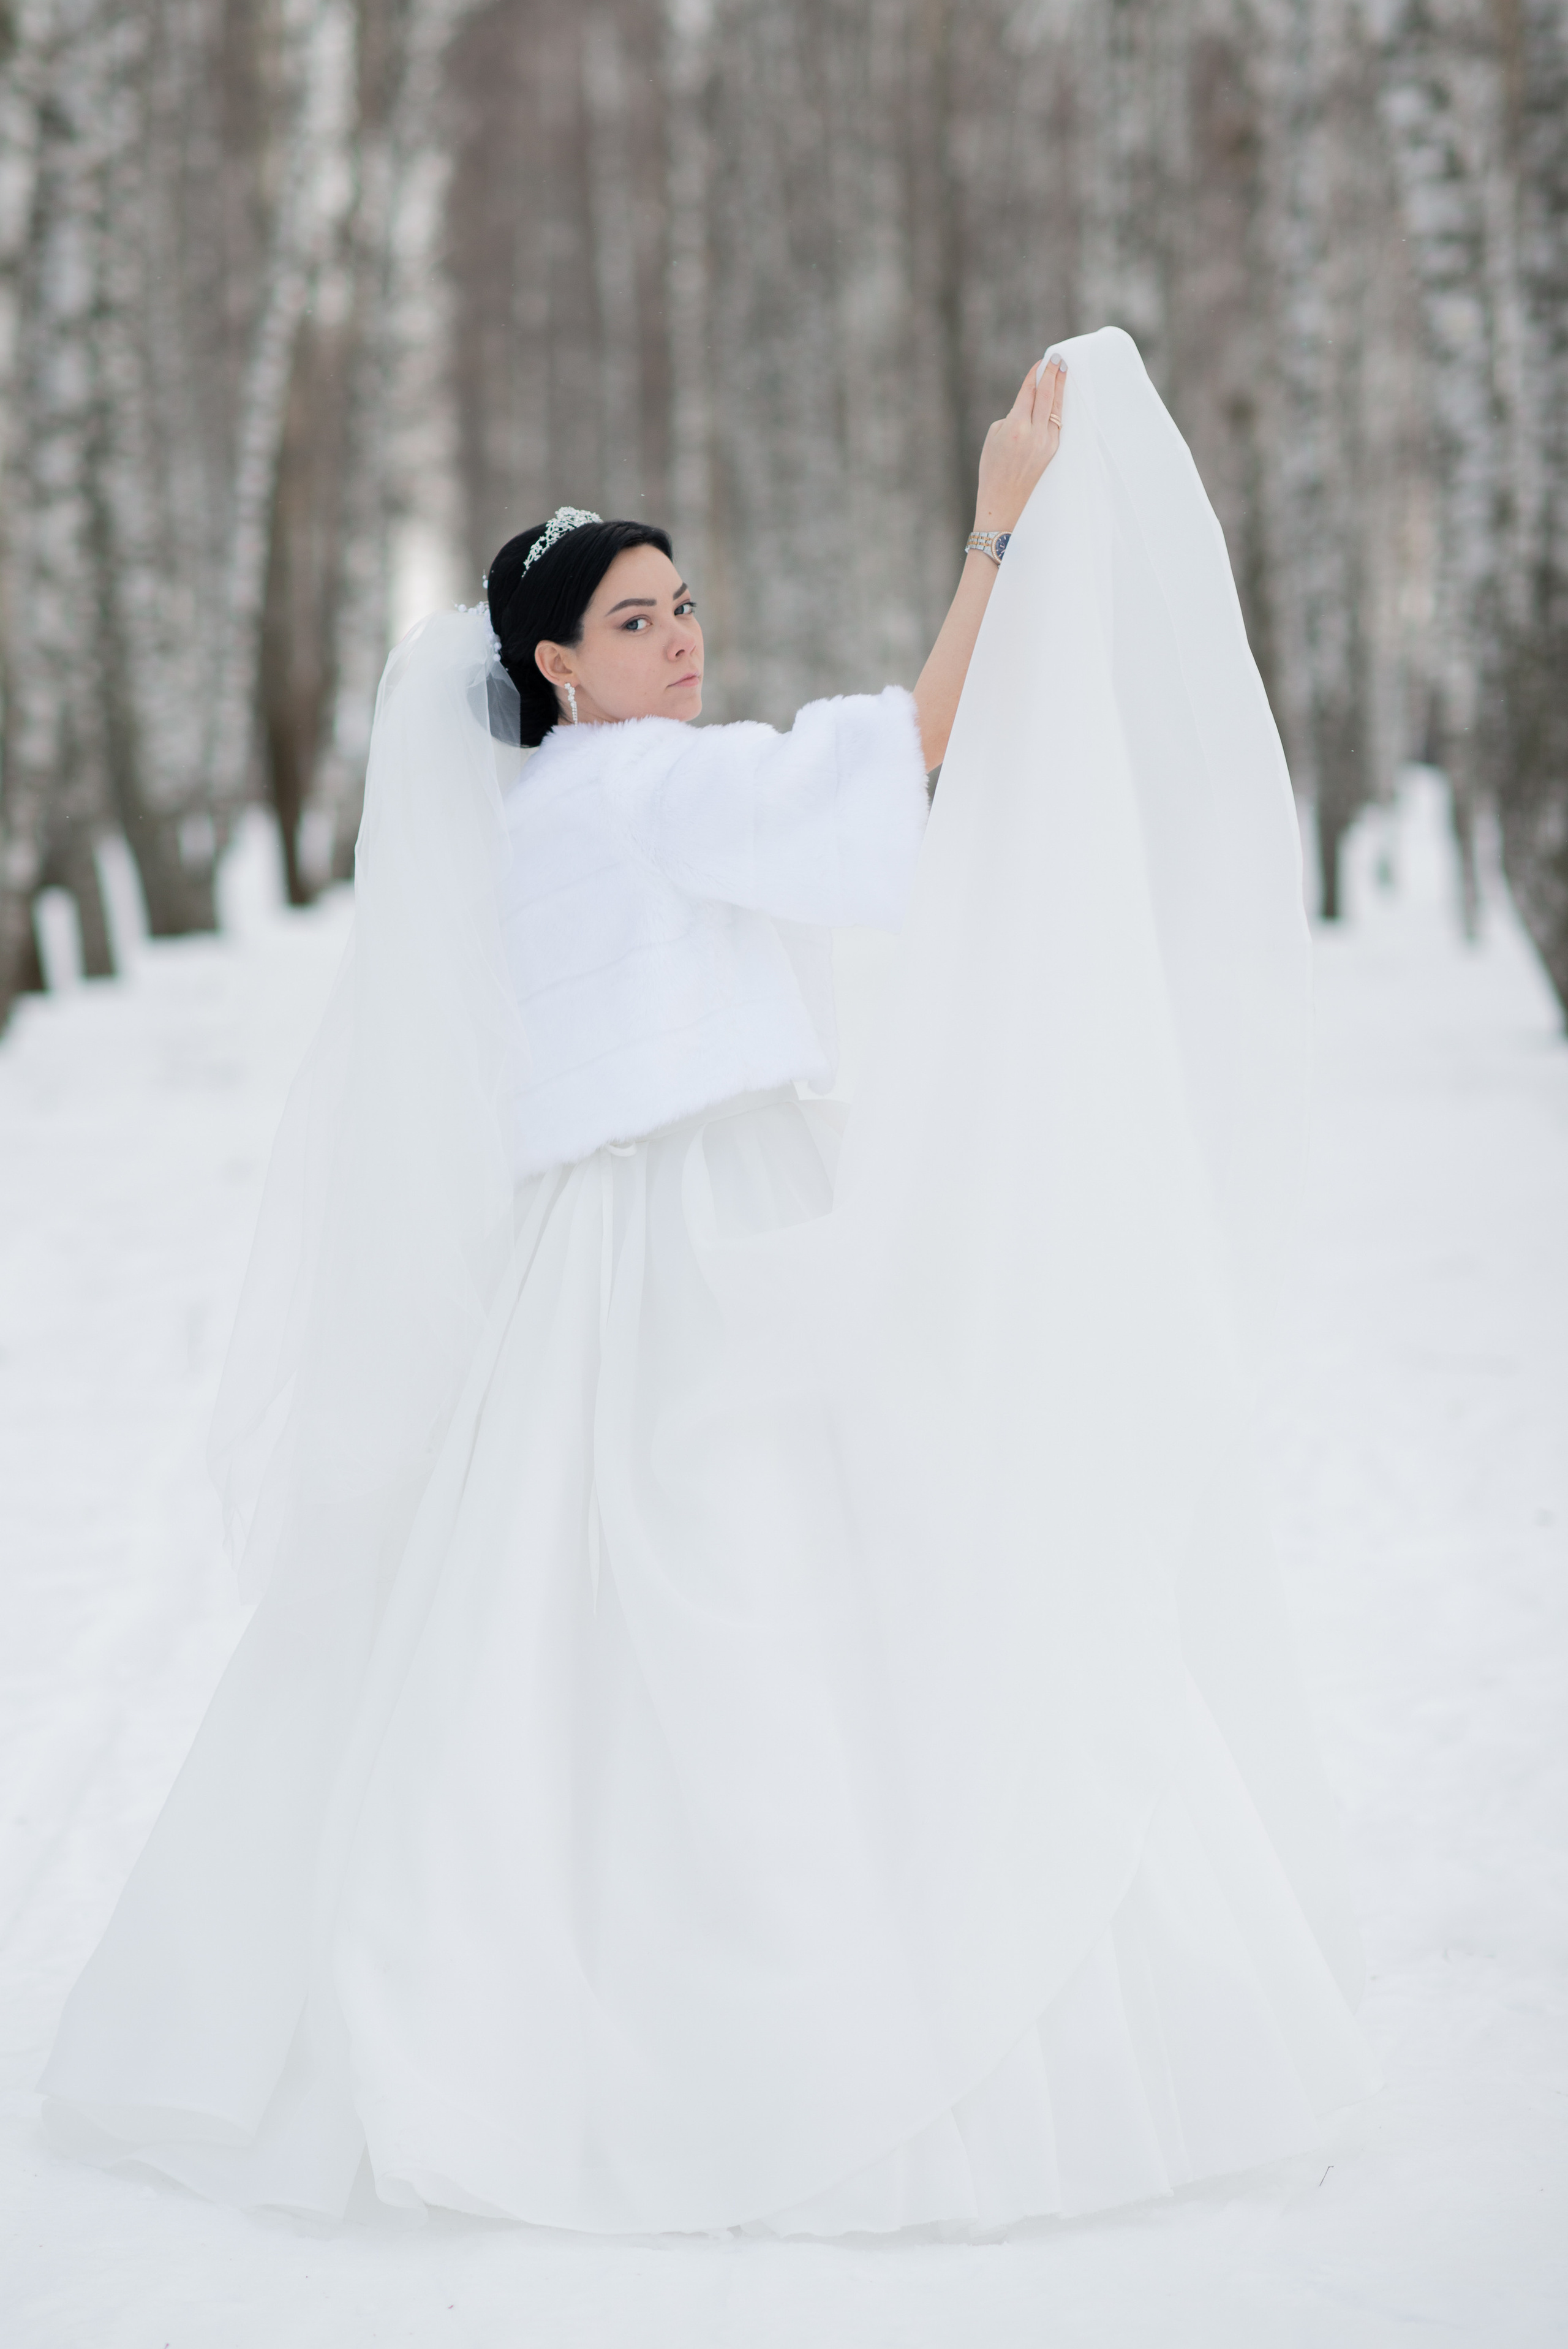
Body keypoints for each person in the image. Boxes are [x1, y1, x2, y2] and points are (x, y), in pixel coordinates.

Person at [42, 331, 1374, 2234]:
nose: (680, 640)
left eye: (686, 606)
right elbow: (914, 759)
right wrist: (998, 536)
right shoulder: (641, 795)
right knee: (813, 1593)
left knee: (557, 1640)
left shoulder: (532, 823)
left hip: (593, 1253)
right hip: (710, 1234)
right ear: (556, 668)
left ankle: (546, 2001)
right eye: (635, 618)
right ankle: (795, 2020)